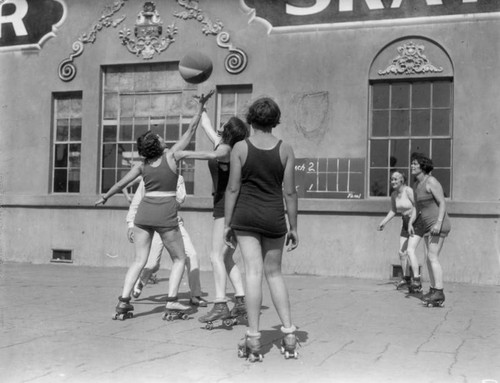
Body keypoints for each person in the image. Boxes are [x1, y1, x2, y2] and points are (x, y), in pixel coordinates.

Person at [95, 91, 213, 319]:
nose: (161, 137)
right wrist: (200, 106)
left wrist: (105, 197)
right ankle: (171, 303)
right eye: (158, 137)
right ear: (156, 145)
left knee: (139, 260)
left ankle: (123, 302)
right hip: (165, 213)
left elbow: (120, 183)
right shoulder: (172, 156)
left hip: (144, 213)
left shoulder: (142, 166)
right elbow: (191, 129)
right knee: (180, 258)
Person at [223, 97, 299, 361]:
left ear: (251, 119)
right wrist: (294, 226)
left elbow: (232, 188)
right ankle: (289, 334)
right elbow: (289, 192)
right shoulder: (286, 149)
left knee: (252, 273)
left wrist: (227, 222)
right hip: (274, 217)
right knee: (274, 274)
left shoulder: (240, 148)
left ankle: (253, 339)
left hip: (245, 217)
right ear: (275, 121)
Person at [174, 111, 249, 326]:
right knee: (226, 258)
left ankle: (220, 304)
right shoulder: (225, 144)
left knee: (215, 255)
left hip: (226, 207)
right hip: (233, 205)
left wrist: (184, 154)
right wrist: (201, 106)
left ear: (229, 132)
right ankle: (241, 300)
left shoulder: (226, 149)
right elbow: (206, 125)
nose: (220, 125)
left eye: (224, 124)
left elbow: (212, 156)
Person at [127, 175, 207, 307]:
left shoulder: (178, 178)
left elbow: (180, 200)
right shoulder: (148, 176)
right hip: (153, 223)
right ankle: (143, 278)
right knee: (152, 264)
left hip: (173, 223)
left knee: (191, 255)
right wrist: (131, 224)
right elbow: (136, 201)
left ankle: (195, 295)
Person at [411, 153, 451, 307]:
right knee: (428, 258)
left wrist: (438, 223)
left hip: (438, 224)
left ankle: (439, 291)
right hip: (428, 225)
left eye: (415, 164)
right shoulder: (416, 185)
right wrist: (411, 223)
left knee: (432, 257)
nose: (412, 166)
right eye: (412, 164)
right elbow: (416, 207)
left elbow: (442, 202)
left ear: (423, 166)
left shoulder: (431, 181)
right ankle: (434, 290)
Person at [377, 171, 424, 293]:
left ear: (402, 180)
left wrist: (411, 223)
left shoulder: (408, 191)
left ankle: (417, 281)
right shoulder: (394, 194)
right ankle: (406, 279)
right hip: (405, 222)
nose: (393, 182)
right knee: (402, 252)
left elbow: (418, 207)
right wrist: (383, 222)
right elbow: (393, 210)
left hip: (416, 221)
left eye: (395, 179)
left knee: (410, 250)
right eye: (392, 179)